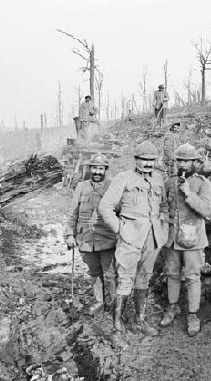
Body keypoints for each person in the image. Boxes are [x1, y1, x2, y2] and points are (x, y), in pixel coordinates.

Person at [98, 141, 169, 336]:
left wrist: (163, 228)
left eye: (151, 160)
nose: (148, 164)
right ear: (135, 160)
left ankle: (139, 320)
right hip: (130, 237)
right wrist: (120, 229)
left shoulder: (159, 179)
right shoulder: (123, 178)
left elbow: (163, 206)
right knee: (125, 278)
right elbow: (105, 206)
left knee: (144, 278)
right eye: (144, 160)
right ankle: (117, 322)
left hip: (152, 238)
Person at [160, 144, 211, 336]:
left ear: (194, 162)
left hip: (193, 238)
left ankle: (193, 314)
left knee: (192, 276)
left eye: (186, 161)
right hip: (171, 237)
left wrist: (189, 194)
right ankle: (172, 307)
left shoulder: (202, 183)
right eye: (179, 161)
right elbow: (163, 206)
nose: (182, 164)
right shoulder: (169, 181)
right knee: (172, 274)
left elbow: (207, 211)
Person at [65, 153, 117, 315]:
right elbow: (73, 212)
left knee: (110, 274)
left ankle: (114, 305)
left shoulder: (112, 186)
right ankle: (99, 302)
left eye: (101, 168)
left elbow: (120, 212)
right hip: (85, 239)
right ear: (90, 168)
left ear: (105, 170)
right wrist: (69, 234)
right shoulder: (81, 187)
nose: (97, 172)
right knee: (94, 273)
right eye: (95, 168)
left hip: (107, 239)